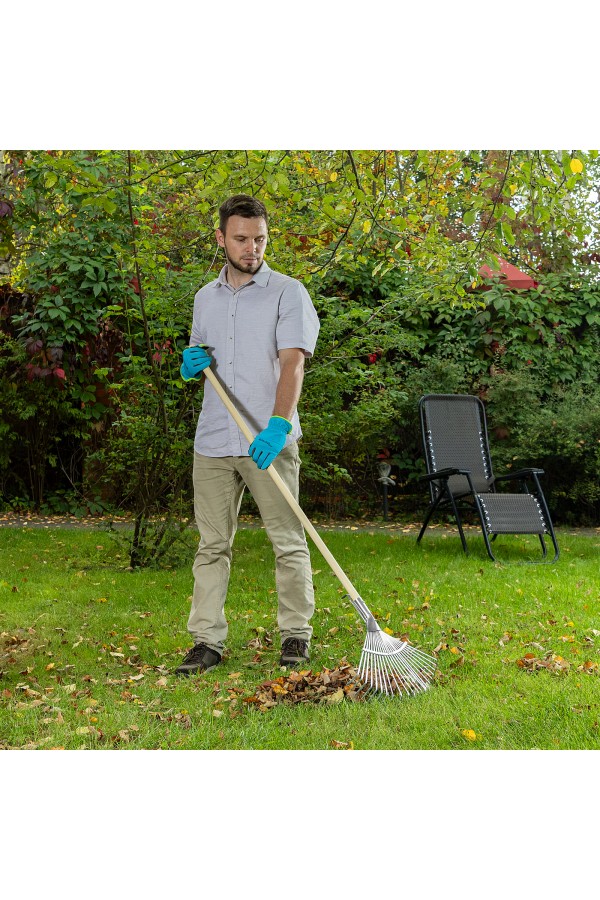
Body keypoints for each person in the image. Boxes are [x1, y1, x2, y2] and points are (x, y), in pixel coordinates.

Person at [175, 194, 320, 676]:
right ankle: (206, 641)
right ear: (221, 238)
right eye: (240, 239)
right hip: (214, 440)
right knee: (212, 545)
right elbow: (201, 355)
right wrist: (191, 364)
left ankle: (296, 636)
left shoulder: (287, 292)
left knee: (287, 540)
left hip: (267, 440)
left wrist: (279, 425)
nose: (251, 248)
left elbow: (293, 363)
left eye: (259, 238)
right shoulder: (204, 297)